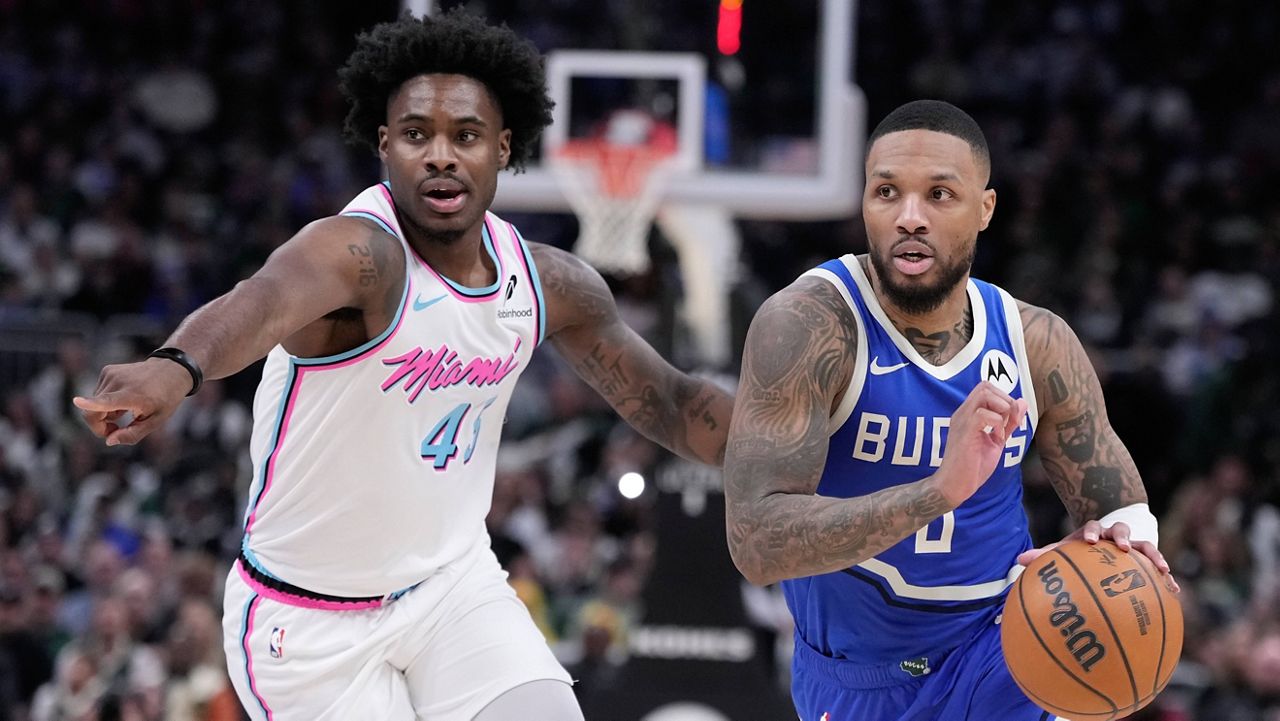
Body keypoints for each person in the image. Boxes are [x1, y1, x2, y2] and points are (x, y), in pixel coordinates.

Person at [74, 11, 732, 721]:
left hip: (451, 589)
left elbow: (670, 401)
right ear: (385, 146)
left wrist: (810, 443)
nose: (441, 155)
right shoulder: (362, 255)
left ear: (503, 148)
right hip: (309, 623)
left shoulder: (546, 283)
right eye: (417, 135)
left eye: (466, 136)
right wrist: (176, 366)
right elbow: (261, 299)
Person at [723, 99, 1179, 721]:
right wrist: (938, 491)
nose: (910, 217)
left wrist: (1117, 547)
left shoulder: (1036, 340)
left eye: (940, 195)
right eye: (887, 192)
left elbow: (1119, 506)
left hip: (1010, 648)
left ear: (984, 208)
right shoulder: (809, 326)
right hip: (863, 676)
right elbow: (757, 544)